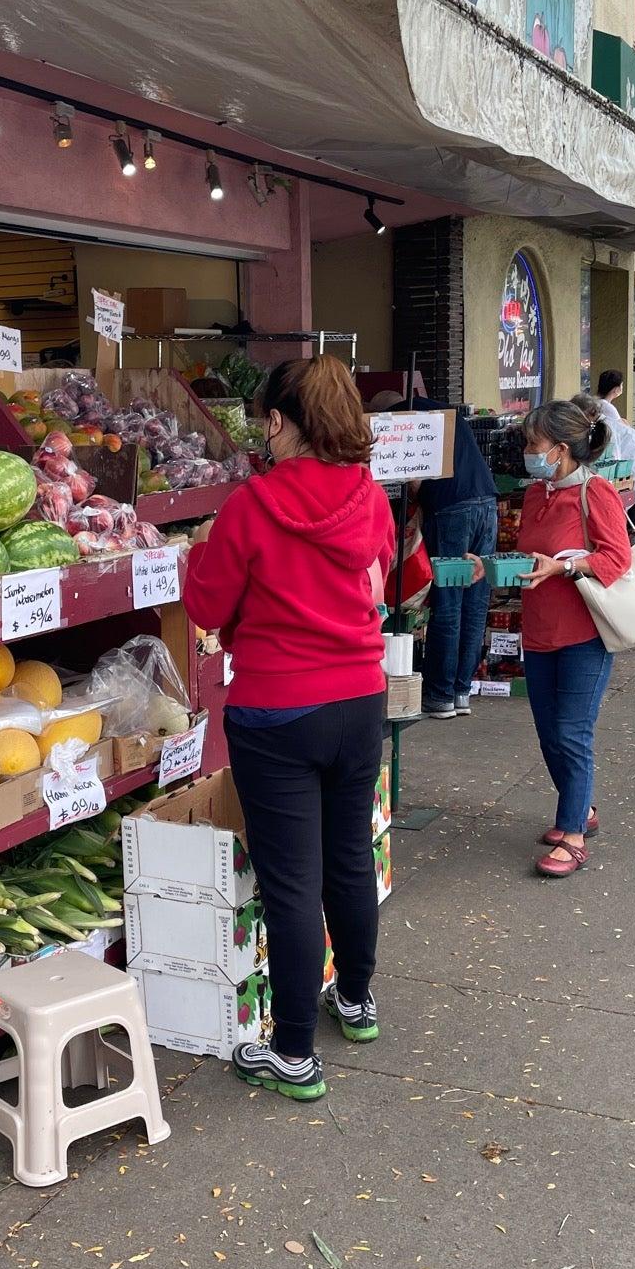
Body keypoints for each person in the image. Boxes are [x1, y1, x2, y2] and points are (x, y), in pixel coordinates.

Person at [184, 356, 394, 1102]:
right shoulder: (370, 497)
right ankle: (358, 1001)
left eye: (265, 422)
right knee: (347, 858)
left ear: (280, 421)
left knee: (292, 883)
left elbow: (208, 608)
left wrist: (199, 552)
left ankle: (296, 1054)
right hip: (360, 698)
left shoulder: (251, 505)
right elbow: (380, 576)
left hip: (276, 710)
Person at [515, 399, 633, 879]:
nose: (527, 451)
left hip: (584, 632)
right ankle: (580, 807)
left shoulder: (595, 493)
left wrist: (565, 566)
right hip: (539, 630)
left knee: (572, 732)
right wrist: (491, 566)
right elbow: (528, 556)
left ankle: (574, 834)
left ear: (561, 450)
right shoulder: (533, 494)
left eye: (534, 444)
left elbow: (616, 559)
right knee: (549, 733)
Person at [369, 390, 497, 719]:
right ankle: (461, 692)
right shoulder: (443, 412)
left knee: (449, 601)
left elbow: (412, 480)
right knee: (475, 601)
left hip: (452, 510)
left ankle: (440, 695)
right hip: (487, 502)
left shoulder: (397, 420)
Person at [593, 370, 635, 526]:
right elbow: (620, 425)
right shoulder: (605, 408)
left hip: (629, 460)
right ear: (617, 389)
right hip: (628, 460)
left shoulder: (600, 407)